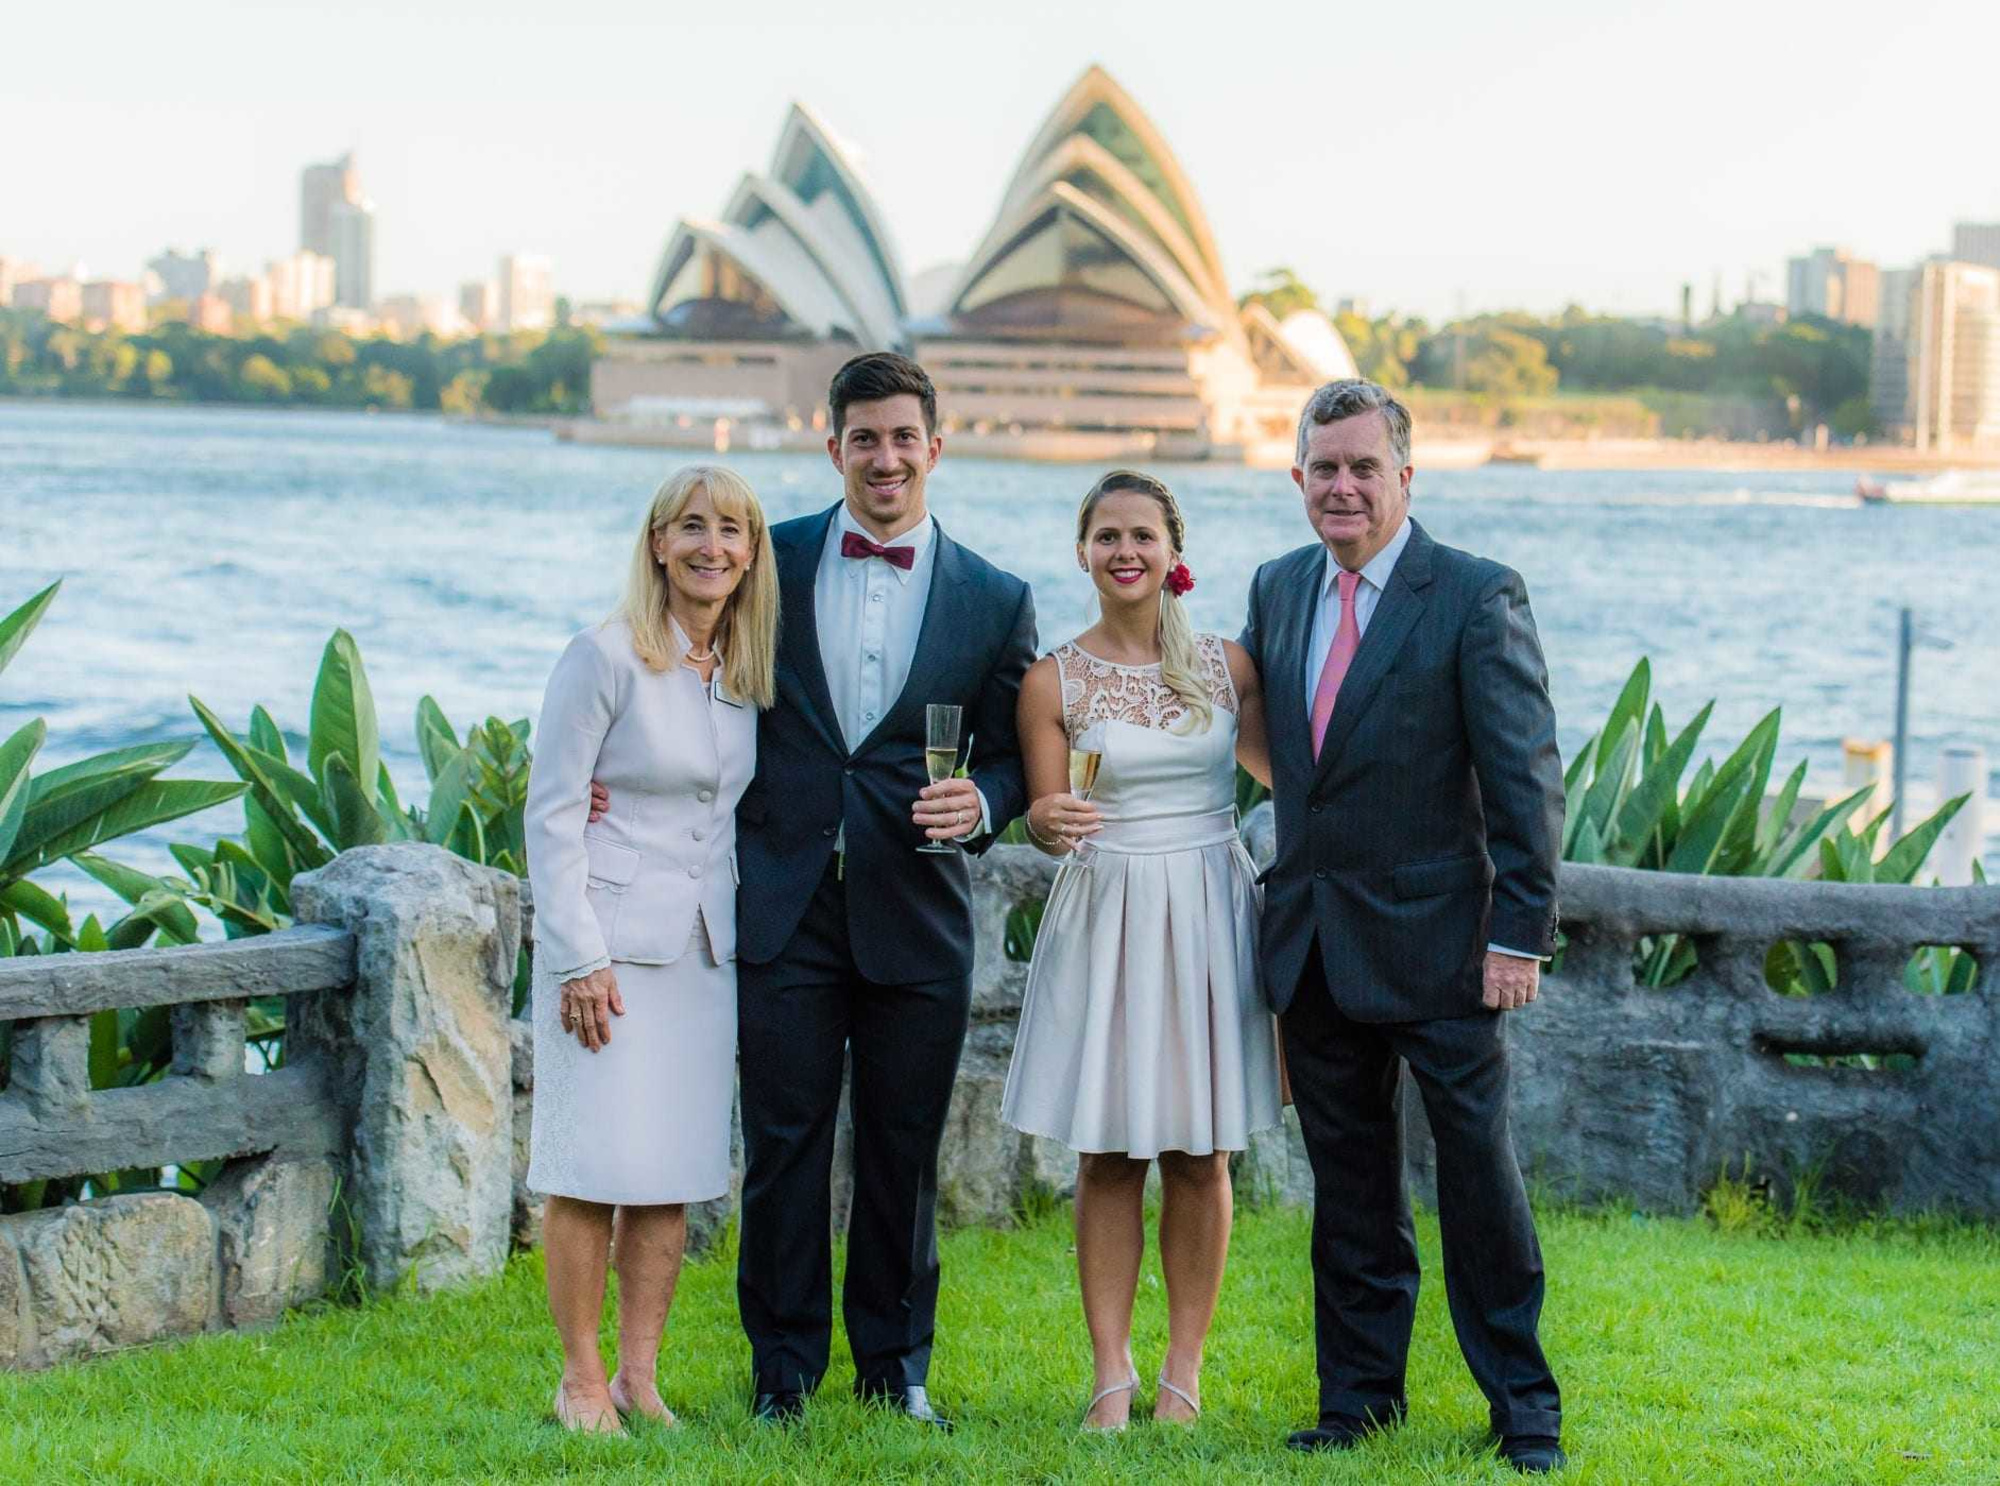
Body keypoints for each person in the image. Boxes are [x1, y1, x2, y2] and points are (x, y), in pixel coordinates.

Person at [593, 353, 1036, 1428]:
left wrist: (978, 803)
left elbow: (1020, 753)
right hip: (781, 905)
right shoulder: (767, 558)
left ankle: (897, 1368)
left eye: (902, 437)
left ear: (936, 444)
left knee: (902, 1147)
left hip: (918, 913)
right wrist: (607, 771)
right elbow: (675, 657)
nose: (884, 458)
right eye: (863, 438)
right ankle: (781, 1369)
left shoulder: (996, 595)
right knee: (782, 1150)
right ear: (828, 443)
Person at [1238, 380, 1568, 1474]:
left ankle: (1522, 1409)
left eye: (1361, 468)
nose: (1341, 486)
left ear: (1403, 478)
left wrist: (1516, 935)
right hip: (1316, 944)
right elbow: (1287, 756)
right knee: (1350, 1192)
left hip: (1444, 952)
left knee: (1478, 1182)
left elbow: (1523, 778)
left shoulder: (1473, 594)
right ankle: (1355, 1402)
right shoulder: (1277, 588)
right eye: (1322, 468)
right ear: (1297, 479)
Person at [1002, 470, 1281, 1432]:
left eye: (1144, 536)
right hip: (1109, 908)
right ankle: (1110, 1375)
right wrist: (1046, 818)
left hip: (1210, 903)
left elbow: (1296, 776)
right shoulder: (1054, 679)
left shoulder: (1228, 667)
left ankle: (1183, 1375)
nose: (1126, 552)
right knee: (1111, 1152)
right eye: (1107, 536)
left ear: (1174, 551)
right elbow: (1044, 817)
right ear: (1082, 551)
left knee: (1202, 1153)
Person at [523, 465, 777, 1433]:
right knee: (590, 1167)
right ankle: (580, 1380)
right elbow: (550, 816)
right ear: (657, 544)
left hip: (707, 955)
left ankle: (639, 1376)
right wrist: (577, 954)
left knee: (668, 1173)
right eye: (692, 529)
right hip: (611, 956)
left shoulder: (745, 672)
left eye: (731, 532)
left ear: (751, 554)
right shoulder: (602, 658)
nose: (712, 547)